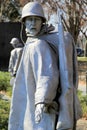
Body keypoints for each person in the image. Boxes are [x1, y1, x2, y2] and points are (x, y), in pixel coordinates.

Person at [8, 2, 82, 130]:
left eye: (36, 19)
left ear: (42, 21)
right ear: (24, 23)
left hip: (41, 106)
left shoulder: (38, 45)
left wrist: (42, 100)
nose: (32, 23)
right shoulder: (32, 41)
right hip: (31, 99)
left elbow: (47, 75)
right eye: (29, 20)